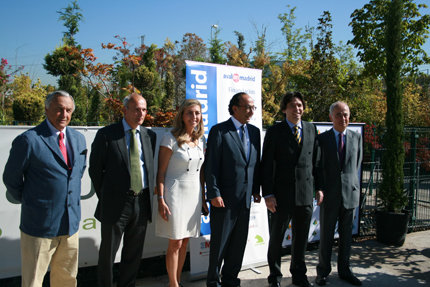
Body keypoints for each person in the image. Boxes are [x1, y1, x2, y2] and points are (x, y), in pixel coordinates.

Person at [3, 90, 87, 287]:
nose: (64, 114)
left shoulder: (78, 139)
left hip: (70, 226)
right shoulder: (29, 140)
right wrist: (34, 201)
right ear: (47, 109)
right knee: (33, 281)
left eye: (68, 110)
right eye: (59, 109)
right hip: (39, 227)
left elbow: (78, 173)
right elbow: (11, 179)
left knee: (67, 280)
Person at [89, 93, 156, 287]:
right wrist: (109, 196)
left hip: (141, 202)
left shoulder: (149, 135)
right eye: (136, 109)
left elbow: (148, 168)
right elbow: (95, 170)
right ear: (125, 110)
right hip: (116, 203)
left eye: (144, 109)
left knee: (133, 253)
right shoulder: (107, 134)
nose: (141, 114)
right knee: (108, 254)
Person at [261, 92, 318, 287]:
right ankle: (274, 277)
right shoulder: (275, 131)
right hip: (281, 196)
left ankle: (299, 275)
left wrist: (318, 188)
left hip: (304, 195)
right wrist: (268, 194)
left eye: (300, 105)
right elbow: (266, 165)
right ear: (285, 109)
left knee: (301, 240)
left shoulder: (311, 129)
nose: (297, 109)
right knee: (276, 239)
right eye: (293, 106)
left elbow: (315, 162)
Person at [205, 92, 261, 287]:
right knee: (220, 244)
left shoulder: (254, 132)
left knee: (238, 244)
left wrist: (255, 190)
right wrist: (213, 193)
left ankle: (230, 279)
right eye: (247, 107)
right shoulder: (219, 131)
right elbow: (211, 165)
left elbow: (254, 164)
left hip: (245, 200)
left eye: (253, 107)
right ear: (235, 108)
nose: (251, 111)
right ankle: (213, 281)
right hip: (224, 199)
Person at [155, 99, 208, 287]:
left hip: (194, 194)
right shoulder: (170, 138)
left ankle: (176, 281)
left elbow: (201, 172)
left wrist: (203, 199)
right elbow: (160, 172)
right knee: (175, 242)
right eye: (190, 113)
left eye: (197, 113)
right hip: (174, 194)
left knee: (185, 242)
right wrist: (161, 199)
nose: (194, 116)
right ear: (182, 115)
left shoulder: (201, 140)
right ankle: (173, 284)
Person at [314, 101, 363, 286]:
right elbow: (317, 168)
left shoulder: (356, 137)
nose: (343, 118)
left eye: (346, 114)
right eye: (338, 115)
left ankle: (345, 270)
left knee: (346, 238)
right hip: (330, 196)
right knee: (326, 237)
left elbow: (355, 165)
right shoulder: (323, 139)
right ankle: (323, 272)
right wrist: (319, 189)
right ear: (330, 117)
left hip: (350, 195)